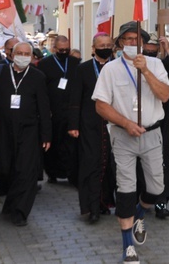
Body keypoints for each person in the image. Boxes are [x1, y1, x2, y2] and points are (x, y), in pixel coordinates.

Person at [92, 22, 169, 264]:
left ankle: (138, 215)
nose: (130, 43)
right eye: (125, 39)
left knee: (157, 189)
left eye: (135, 39)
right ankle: (128, 247)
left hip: (152, 134)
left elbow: (165, 96)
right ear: (119, 43)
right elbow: (101, 105)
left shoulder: (156, 65)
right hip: (123, 136)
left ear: (143, 43)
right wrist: (126, 123)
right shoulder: (111, 70)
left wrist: (145, 71)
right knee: (126, 189)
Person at [0, 41, 52, 227]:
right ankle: (11, 203)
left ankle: (20, 211)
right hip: (2, 128)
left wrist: (46, 135)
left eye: (27, 54)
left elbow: (44, 107)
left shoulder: (38, 77)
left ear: (32, 56)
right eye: (20, 53)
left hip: (29, 130)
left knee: (26, 171)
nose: (23, 56)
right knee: (4, 167)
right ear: (12, 54)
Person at [67, 32, 117, 223]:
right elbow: (75, 98)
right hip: (90, 124)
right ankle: (92, 207)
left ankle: (105, 203)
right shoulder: (84, 69)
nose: (105, 47)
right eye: (101, 44)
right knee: (91, 163)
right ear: (93, 47)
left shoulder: (117, 67)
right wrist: (73, 124)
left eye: (108, 44)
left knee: (111, 165)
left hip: (114, 122)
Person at [136, 33, 169, 219]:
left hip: (161, 120)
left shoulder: (160, 65)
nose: (149, 55)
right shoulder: (133, 64)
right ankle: (140, 198)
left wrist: (168, 51)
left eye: (153, 52)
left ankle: (161, 202)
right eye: (146, 51)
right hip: (139, 120)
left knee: (163, 161)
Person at [38, 35, 80, 185]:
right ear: (54, 49)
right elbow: (42, 89)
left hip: (71, 109)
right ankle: (53, 173)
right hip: (53, 110)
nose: (64, 52)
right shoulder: (44, 64)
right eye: (61, 49)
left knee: (70, 144)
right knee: (54, 141)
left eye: (66, 49)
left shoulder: (75, 63)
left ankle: (70, 172)